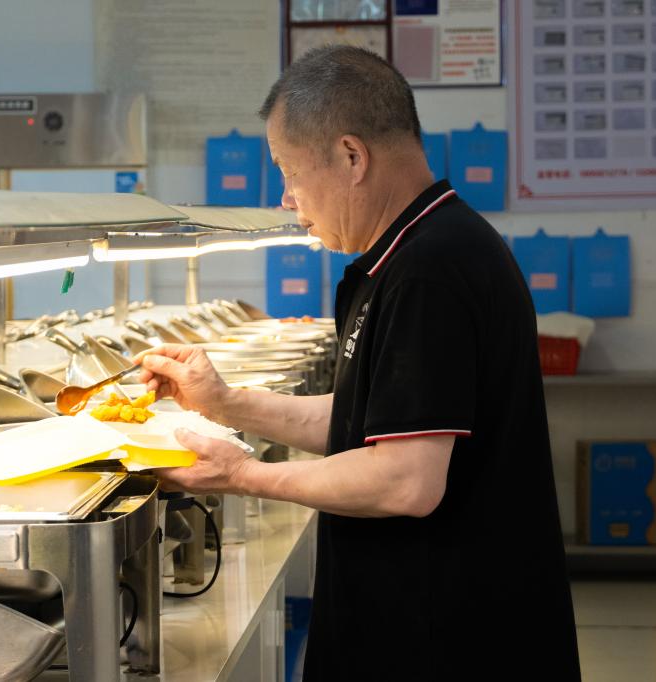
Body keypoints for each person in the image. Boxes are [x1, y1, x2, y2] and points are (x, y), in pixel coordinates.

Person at [138, 46, 581, 680]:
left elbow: (404, 479)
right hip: (424, 620)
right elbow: (370, 421)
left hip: (449, 639)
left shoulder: (431, 270)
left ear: (352, 156)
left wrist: (242, 474)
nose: (287, 199)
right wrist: (227, 404)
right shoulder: (414, 253)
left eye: (289, 173)